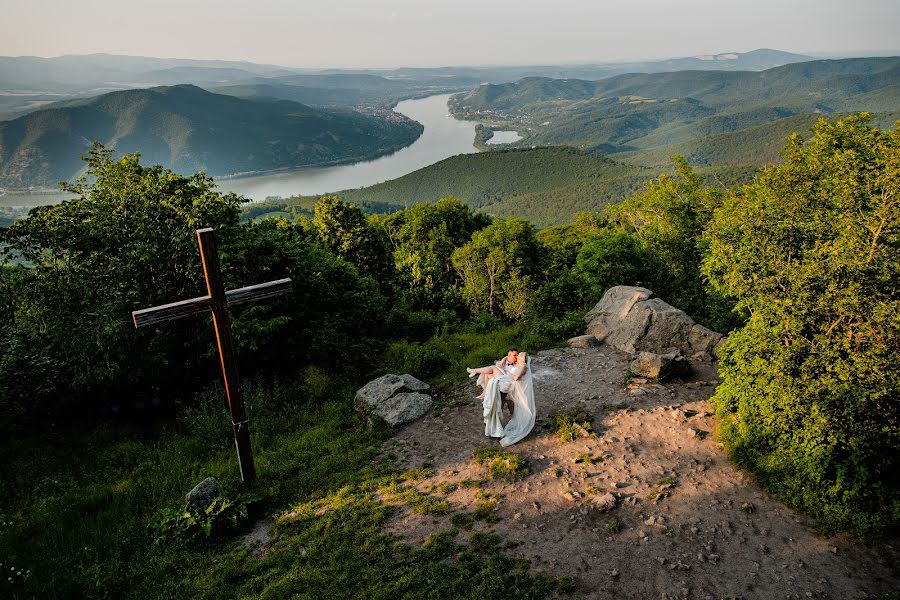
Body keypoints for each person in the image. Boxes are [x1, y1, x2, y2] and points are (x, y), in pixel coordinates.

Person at [466, 349, 535, 447]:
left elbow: (516, 378)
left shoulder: (523, 366)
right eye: (515, 356)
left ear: (522, 358)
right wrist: (505, 359)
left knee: (494, 368)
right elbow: (509, 358)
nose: (516, 358)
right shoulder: (515, 364)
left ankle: (475, 371)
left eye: (518, 356)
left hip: (509, 384)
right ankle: (485, 391)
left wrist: (507, 372)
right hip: (507, 383)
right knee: (488, 374)